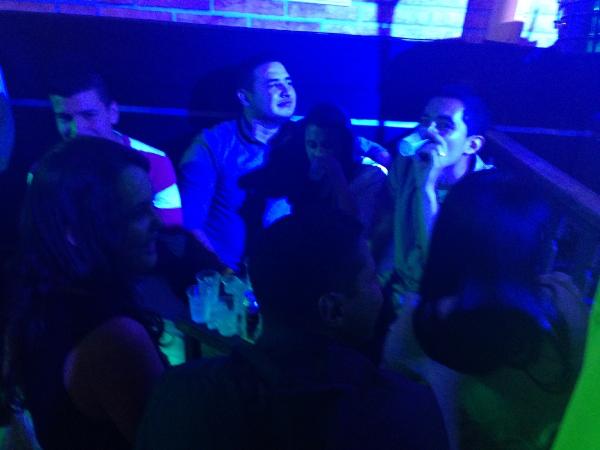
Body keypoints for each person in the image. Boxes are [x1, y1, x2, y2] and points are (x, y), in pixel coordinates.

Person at [136, 209, 449, 450]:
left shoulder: (178, 395)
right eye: (371, 279)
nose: (380, 291)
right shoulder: (406, 409)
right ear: (333, 309)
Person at [383, 170, 589, 450]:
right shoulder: (563, 300)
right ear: (527, 244)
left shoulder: (425, 322)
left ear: (448, 239)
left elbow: (386, 401)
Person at [4, 138, 168, 449]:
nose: (157, 222)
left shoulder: (35, 303)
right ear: (75, 232)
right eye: (137, 213)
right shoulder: (115, 338)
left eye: (153, 205)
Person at [179, 56, 296, 270]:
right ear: (245, 97)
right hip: (227, 276)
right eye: (273, 84)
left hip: (291, 275)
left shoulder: (306, 140)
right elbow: (190, 223)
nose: (286, 91)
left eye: (288, 82)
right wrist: (224, 276)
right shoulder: (213, 144)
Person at [379, 86, 493, 294]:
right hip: (397, 291)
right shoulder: (405, 167)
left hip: (445, 299)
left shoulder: (486, 194)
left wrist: (426, 188)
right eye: (425, 122)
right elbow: (389, 232)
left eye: (444, 126)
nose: (429, 132)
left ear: (472, 145)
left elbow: (443, 267)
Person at [47, 65, 182, 226]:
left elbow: (170, 230)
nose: (77, 129)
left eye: (88, 115)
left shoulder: (155, 161)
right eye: (64, 118)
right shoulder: (45, 171)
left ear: (112, 113)